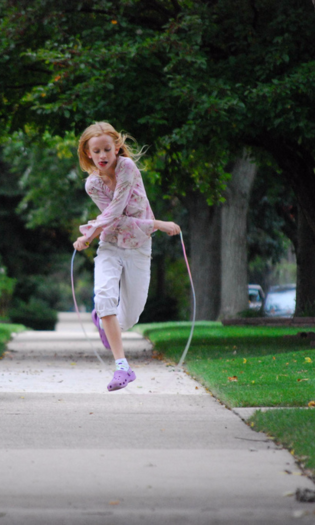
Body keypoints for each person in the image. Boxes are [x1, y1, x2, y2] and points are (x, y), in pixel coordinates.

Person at [73, 122, 181, 392]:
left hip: (139, 247)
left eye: (107, 149)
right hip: (110, 244)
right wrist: (93, 235)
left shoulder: (127, 168)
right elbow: (114, 218)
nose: (102, 156)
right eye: (95, 151)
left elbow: (118, 210)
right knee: (104, 295)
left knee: (130, 318)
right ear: (87, 154)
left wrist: (89, 232)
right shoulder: (92, 184)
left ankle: (103, 318)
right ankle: (122, 367)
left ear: (117, 147)